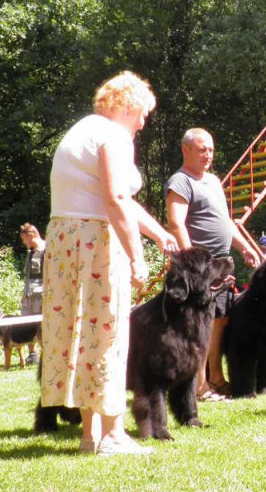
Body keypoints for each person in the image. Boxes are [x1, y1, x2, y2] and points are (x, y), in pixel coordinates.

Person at [42, 71, 178, 456]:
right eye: (143, 114)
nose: (143, 123)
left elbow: (120, 199)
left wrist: (158, 233)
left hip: (65, 240)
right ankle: (114, 435)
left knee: (84, 335)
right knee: (108, 336)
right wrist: (137, 256)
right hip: (94, 242)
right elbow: (116, 198)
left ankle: (92, 434)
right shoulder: (114, 136)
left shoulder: (83, 131)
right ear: (128, 106)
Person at [165, 127, 261, 402]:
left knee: (219, 321)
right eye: (201, 150)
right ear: (185, 150)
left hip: (221, 265)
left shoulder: (213, 181)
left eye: (210, 150)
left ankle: (215, 378)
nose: (207, 155)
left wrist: (244, 247)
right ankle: (199, 386)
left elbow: (226, 222)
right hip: (199, 268)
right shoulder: (180, 181)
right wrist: (191, 263)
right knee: (198, 326)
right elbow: (176, 223)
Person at [19, 223, 44, 365]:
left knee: (42, 326)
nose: (24, 242)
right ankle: (32, 354)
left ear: (31, 236)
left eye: (24, 239)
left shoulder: (47, 250)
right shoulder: (30, 252)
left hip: (41, 295)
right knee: (27, 323)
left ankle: (46, 351)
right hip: (28, 295)